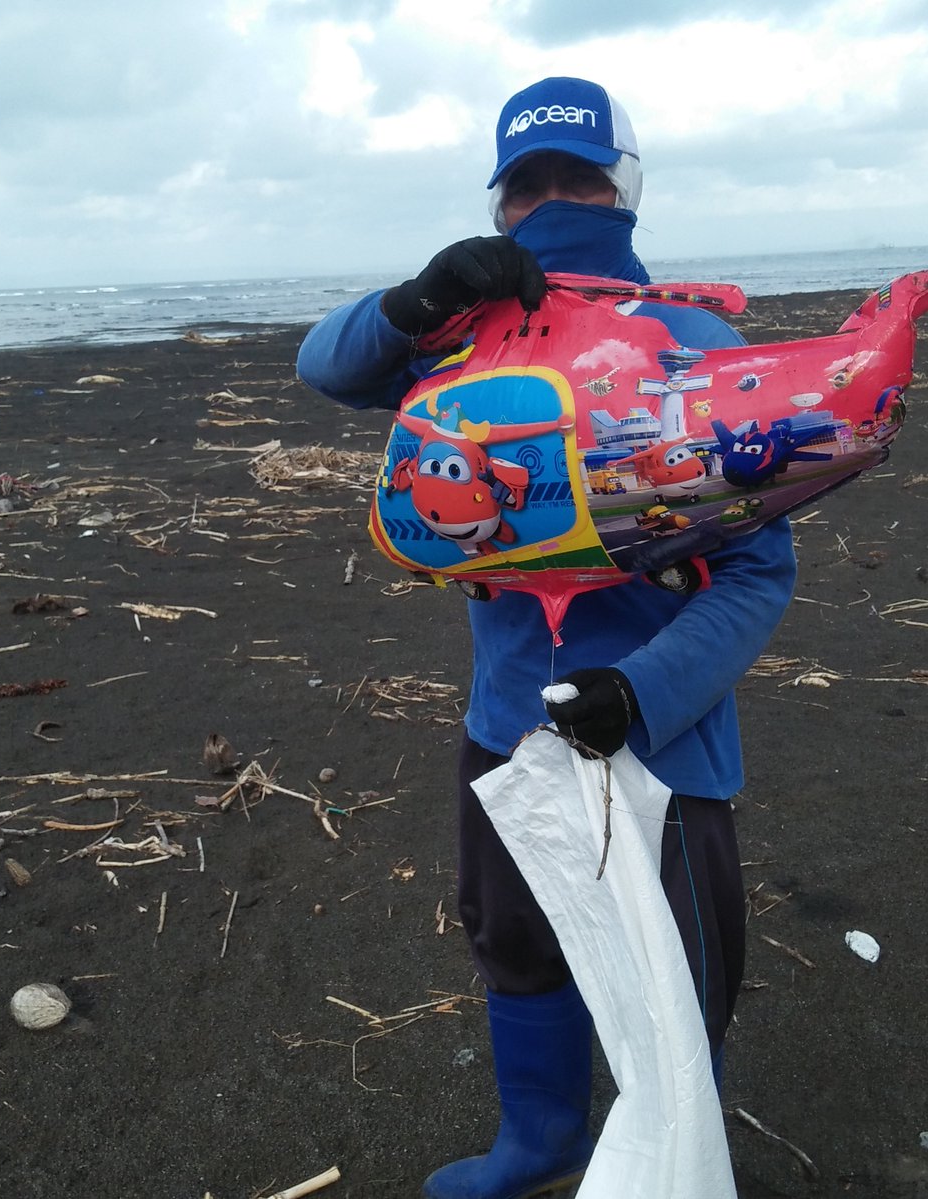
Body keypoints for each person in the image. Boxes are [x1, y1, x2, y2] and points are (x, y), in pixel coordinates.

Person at [297, 76, 798, 1199]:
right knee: (514, 933)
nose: (556, 199)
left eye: (581, 176)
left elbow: (762, 565)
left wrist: (647, 689)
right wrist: (421, 298)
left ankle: (676, 1149)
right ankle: (540, 1138)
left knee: (679, 968)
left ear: (627, 190)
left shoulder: (692, 342)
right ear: (498, 205)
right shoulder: (466, 341)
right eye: (529, 184)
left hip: (660, 741)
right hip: (507, 725)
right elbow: (326, 367)